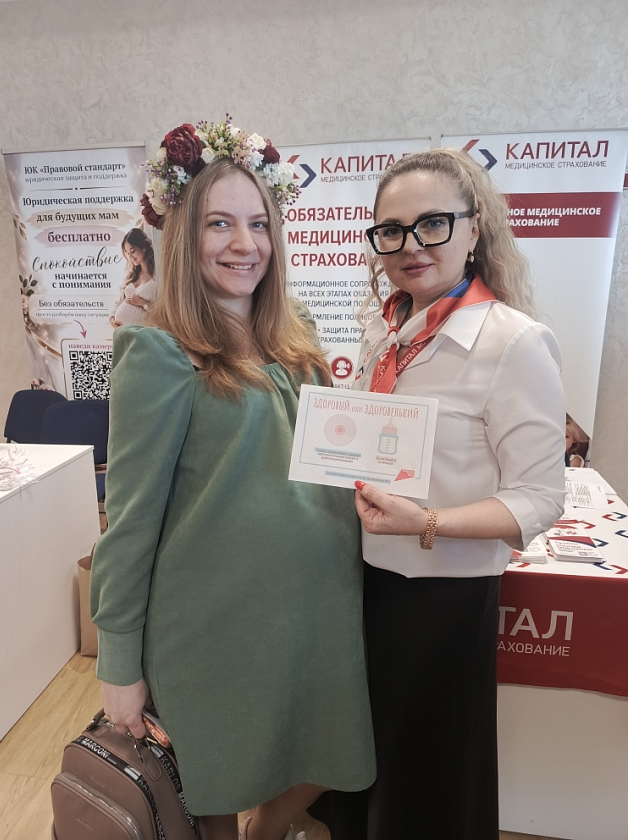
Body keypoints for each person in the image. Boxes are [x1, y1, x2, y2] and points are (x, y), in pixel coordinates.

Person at [90, 119, 375, 840]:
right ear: (184, 236)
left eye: (258, 224)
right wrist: (118, 662)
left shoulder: (295, 329)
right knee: (208, 789)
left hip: (317, 610)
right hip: (211, 625)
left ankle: (266, 830)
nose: (244, 244)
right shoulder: (157, 351)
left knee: (332, 755)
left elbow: (327, 452)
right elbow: (129, 519)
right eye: (219, 223)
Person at [319, 148, 565, 840]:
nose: (411, 245)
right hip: (363, 586)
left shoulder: (513, 343)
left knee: (427, 789)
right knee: (364, 772)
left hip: (444, 606)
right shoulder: (385, 329)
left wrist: (427, 520)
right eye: (391, 230)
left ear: (473, 228)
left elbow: (540, 498)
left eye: (432, 224)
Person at [110, 227, 156, 327]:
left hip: (141, 333)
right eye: (127, 253)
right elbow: (118, 302)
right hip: (122, 332)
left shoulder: (156, 278)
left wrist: (142, 303)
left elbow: (162, 312)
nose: (130, 257)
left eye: (133, 251)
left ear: (143, 247)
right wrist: (112, 319)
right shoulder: (131, 276)